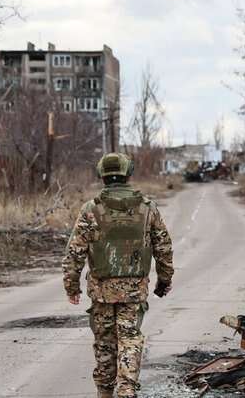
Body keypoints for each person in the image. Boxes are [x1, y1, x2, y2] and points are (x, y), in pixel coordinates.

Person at [62, 152, 174, 398]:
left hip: (102, 291)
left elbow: (75, 251)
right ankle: (126, 388)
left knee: (104, 342)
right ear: (128, 173)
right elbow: (163, 247)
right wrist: (164, 281)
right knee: (130, 338)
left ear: (102, 174)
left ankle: (105, 392)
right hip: (134, 290)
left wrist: (71, 286)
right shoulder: (147, 208)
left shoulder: (91, 209)